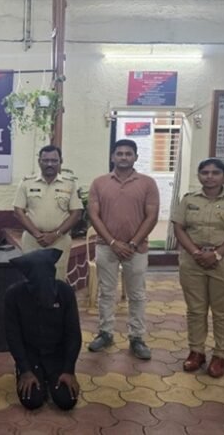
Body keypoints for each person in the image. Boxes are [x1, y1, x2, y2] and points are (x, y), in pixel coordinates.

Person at [171, 158, 224, 378]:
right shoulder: (189, 199)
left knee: (223, 311)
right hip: (193, 260)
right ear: (198, 175)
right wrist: (195, 252)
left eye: (215, 173)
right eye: (205, 172)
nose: (210, 176)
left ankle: (220, 355)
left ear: (223, 176)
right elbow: (179, 228)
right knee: (195, 309)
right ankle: (196, 351)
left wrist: (216, 254)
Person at [86, 139, 159, 360]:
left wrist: (133, 243)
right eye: (120, 153)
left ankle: (137, 337)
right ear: (112, 157)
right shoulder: (99, 183)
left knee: (137, 294)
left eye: (128, 153)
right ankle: (105, 333)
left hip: (137, 249)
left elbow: (152, 216)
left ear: (136, 157)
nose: (124, 157)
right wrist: (112, 242)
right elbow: (94, 215)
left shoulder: (147, 183)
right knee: (106, 292)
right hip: (106, 247)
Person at [4, 248, 81, 411]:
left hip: (57, 354)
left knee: (67, 401)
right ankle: (32, 374)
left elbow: (73, 334)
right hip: (30, 355)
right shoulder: (13, 295)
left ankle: (52, 377)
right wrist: (25, 369)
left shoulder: (65, 292)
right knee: (32, 401)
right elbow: (13, 336)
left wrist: (69, 370)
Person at [12, 145, 83, 281]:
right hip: (32, 240)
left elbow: (76, 213)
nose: (50, 164)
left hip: (60, 240)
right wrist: (37, 234)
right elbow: (18, 211)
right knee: (32, 279)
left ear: (61, 161)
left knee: (57, 279)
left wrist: (55, 235)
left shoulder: (69, 184)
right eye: (45, 160)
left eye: (54, 160)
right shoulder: (27, 183)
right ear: (39, 161)